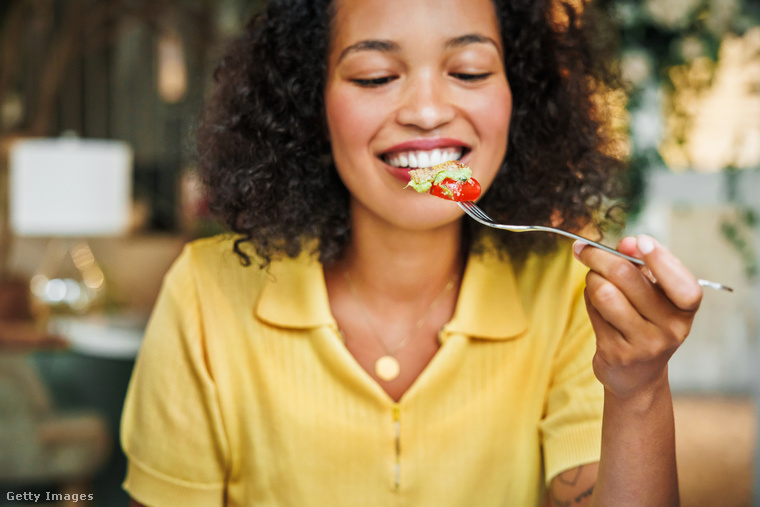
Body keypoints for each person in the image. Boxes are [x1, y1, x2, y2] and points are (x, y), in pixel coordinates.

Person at [121, 0, 702, 505]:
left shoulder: (569, 293)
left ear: (518, 98)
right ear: (308, 103)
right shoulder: (205, 292)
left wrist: (640, 390)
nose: (426, 111)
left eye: (470, 71)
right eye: (375, 77)